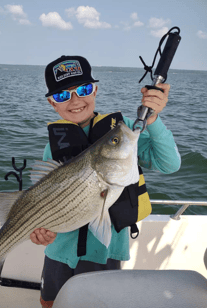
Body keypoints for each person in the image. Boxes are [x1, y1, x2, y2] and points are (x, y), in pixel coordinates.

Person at [30, 55, 181, 308]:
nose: (75, 100)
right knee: (51, 303)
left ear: (95, 90)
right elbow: (47, 201)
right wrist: (40, 231)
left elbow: (170, 164)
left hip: (106, 252)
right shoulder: (52, 147)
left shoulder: (125, 133)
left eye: (84, 89)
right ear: (52, 104)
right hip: (58, 253)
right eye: (61, 95)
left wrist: (153, 121)